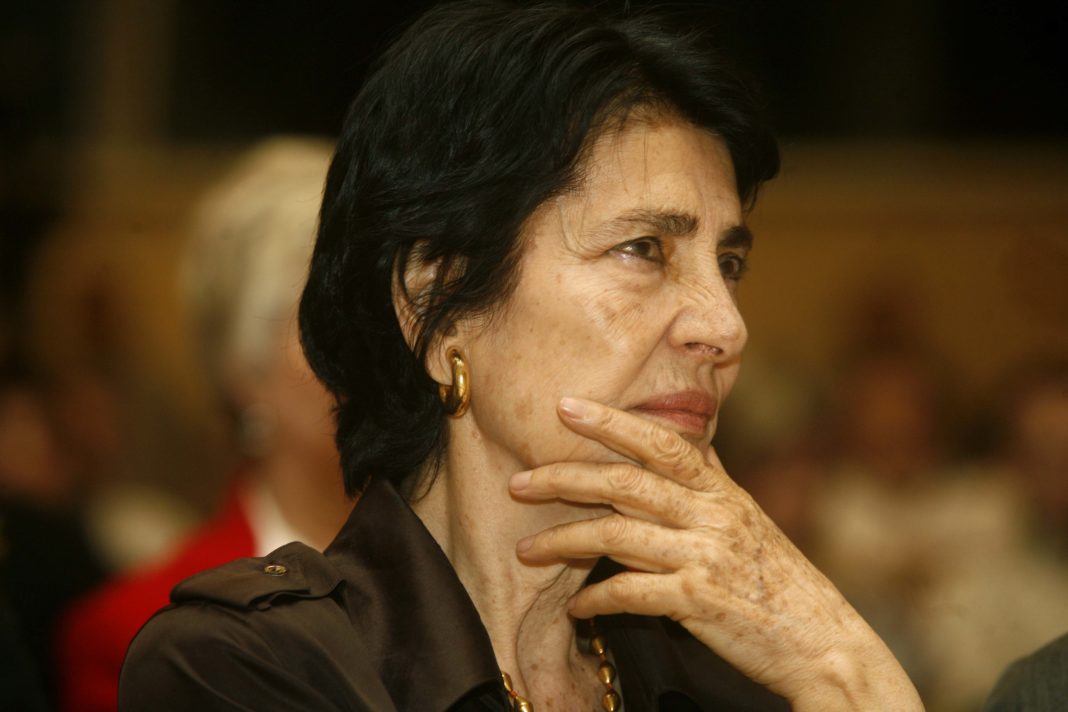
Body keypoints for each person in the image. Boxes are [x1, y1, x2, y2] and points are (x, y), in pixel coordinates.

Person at [120, 3, 923, 710]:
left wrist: (846, 671)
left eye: (730, 263)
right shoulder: (249, 667)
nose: (725, 325)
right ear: (436, 304)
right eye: (644, 248)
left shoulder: (744, 676)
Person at [59, 138, 352, 712]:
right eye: (322, 320)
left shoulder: (466, 578)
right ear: (244, 369)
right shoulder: (145, 631)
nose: (362, 350)